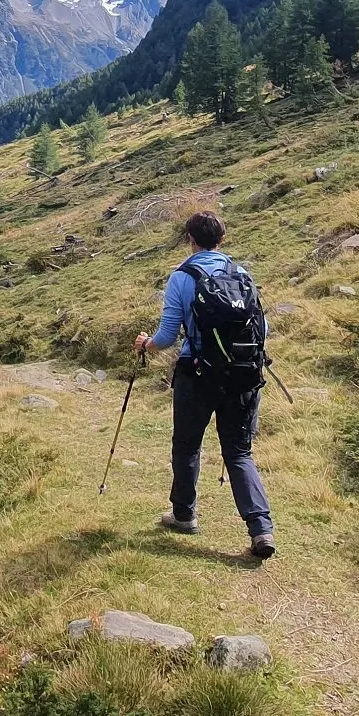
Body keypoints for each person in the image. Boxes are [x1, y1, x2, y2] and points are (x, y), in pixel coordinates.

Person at [133, 210, 277, 559]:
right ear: (222, 239)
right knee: (239, 452)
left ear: (190, 240)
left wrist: (146, 344)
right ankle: (261, 529)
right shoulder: (241, 274)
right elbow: (262, 327)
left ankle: (184, 514)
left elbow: (168, 336)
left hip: (197, 375)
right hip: (243, 375)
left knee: (186, 446)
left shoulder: (182, 277)